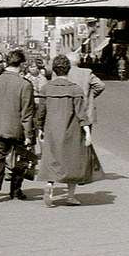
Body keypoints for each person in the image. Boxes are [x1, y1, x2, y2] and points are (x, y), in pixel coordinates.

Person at [36, 55, 96, 207]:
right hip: (71, 130)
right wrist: (87, 132)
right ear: (68, 70)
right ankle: (70, 196)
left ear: (54, 70)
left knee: (52, 159)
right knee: (72, 160)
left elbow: (41, 112)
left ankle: (50, 185)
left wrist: (39, 129)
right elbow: (81, 113)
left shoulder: (46, 89)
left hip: (51, 130)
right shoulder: (75, 89)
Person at [0, 49, 36, 202]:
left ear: (7, 62)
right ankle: (16, 190)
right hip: (17, 128)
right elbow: (27, 113)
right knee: (21, 158)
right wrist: (29, 135)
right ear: (22, 64)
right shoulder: (25, 85)